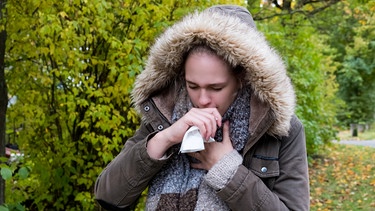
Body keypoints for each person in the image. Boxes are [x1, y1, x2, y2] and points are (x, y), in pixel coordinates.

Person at [95, 5, 310, 211]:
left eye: (216, 87)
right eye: (192, 86)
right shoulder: (164, 114)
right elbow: (107, 195)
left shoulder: (279, 129)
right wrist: (165, 138)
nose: (202, 99)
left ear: (243, 77)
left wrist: (228, 172)